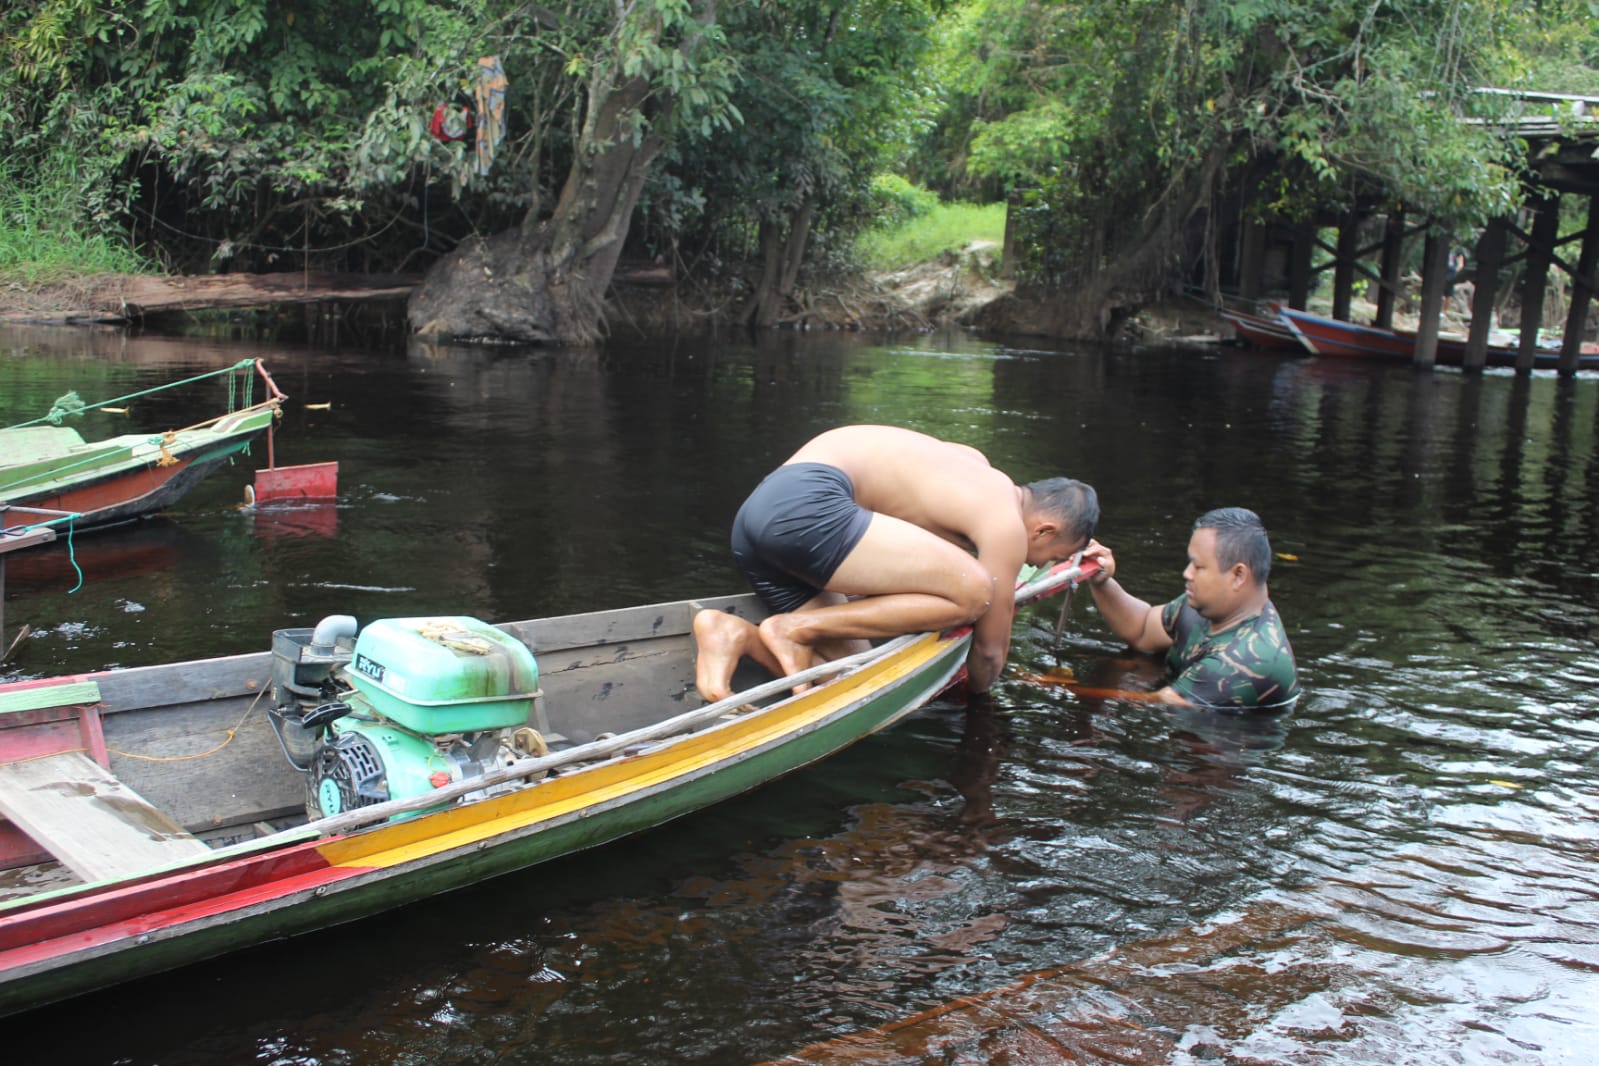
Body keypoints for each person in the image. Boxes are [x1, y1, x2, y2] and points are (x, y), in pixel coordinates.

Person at [693, 425, 1099, 702]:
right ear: (1044, 530)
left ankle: (734, 634)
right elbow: (991, 651)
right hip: (809, 508)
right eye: (1056, 558)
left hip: (759, 517)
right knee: (977, 592)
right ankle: (792, 629)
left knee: (853, 672)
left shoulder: (967, 464)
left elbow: (893, 559)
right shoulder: (1006, 524)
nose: (1041, 564)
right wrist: (971, 696)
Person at [1080, 507, 1299, 710]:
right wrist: (1101, 581)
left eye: (1198, 566)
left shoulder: (1241, 663)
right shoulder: (1208, 606)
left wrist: (1055, 687)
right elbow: (1143, 628)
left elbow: (1157, 704)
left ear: (1238, 575)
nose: (1187, 573)